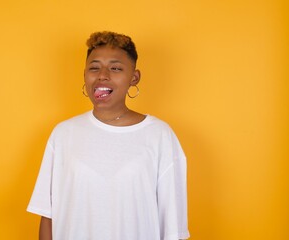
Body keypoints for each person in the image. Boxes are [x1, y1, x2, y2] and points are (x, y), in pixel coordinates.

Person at [27, 31, 190, 240]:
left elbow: (173, 227)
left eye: (115, 68)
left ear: (134, 77)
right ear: (85, 74)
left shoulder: (159, 136)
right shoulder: (63, 134)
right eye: (94, 67)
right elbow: (47, 215)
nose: (102, 75)